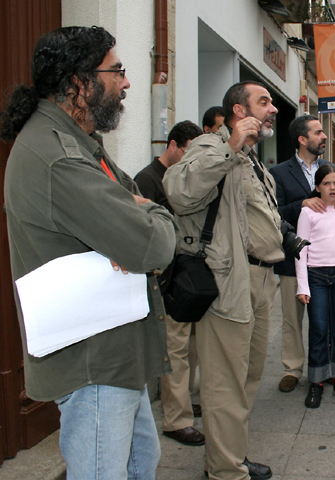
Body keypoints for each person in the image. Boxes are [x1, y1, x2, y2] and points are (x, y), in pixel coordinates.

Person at [1, 26, 176, 479]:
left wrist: (135, 215)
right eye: (116, 70)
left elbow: (133, 215)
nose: (126, 81)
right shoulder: (59, 157)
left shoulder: (77, 142)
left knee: (142, 463)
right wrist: (151, 213)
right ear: (79, 83)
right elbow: (152, 244)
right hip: (94, 363)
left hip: (114, 351)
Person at [164, 81, 284, 480]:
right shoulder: (212, 146)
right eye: (264, 102)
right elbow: (179, 192)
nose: (273, 109)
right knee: (223, 384)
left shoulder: (251, 156)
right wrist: (230, 146)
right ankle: (225, 471)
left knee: (246, 378)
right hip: (231, 282)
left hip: (262, 281)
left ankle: (229, 454)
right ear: (238, 111)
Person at [134, 120, 205, 446]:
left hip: (187, 274)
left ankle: (183, 404)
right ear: (173, 145)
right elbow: (149, 230)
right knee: (175, 349)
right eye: (187, 151)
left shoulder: (184, 177)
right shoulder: (146, 180)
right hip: (166, 278)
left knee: (189, 348)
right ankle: (175, 420)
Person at [270, 115, 335, 393]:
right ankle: (292, 369)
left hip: (328, 263)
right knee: (292, 319)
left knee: (326, 319)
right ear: (302, 139)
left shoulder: (330, 169)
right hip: (293, 259)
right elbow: (273, 214)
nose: (324, 136)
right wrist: (300, 204)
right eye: (318, 132)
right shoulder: (279, 173)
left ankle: (327, 367)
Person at [295, 163, 335, 408]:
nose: (332, 188)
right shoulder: (308, 212)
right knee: (319, 328)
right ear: (317, 187)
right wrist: (303, 286)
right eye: (326, 183)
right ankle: (317, 381)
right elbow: (300, 251)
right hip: (317, 277)